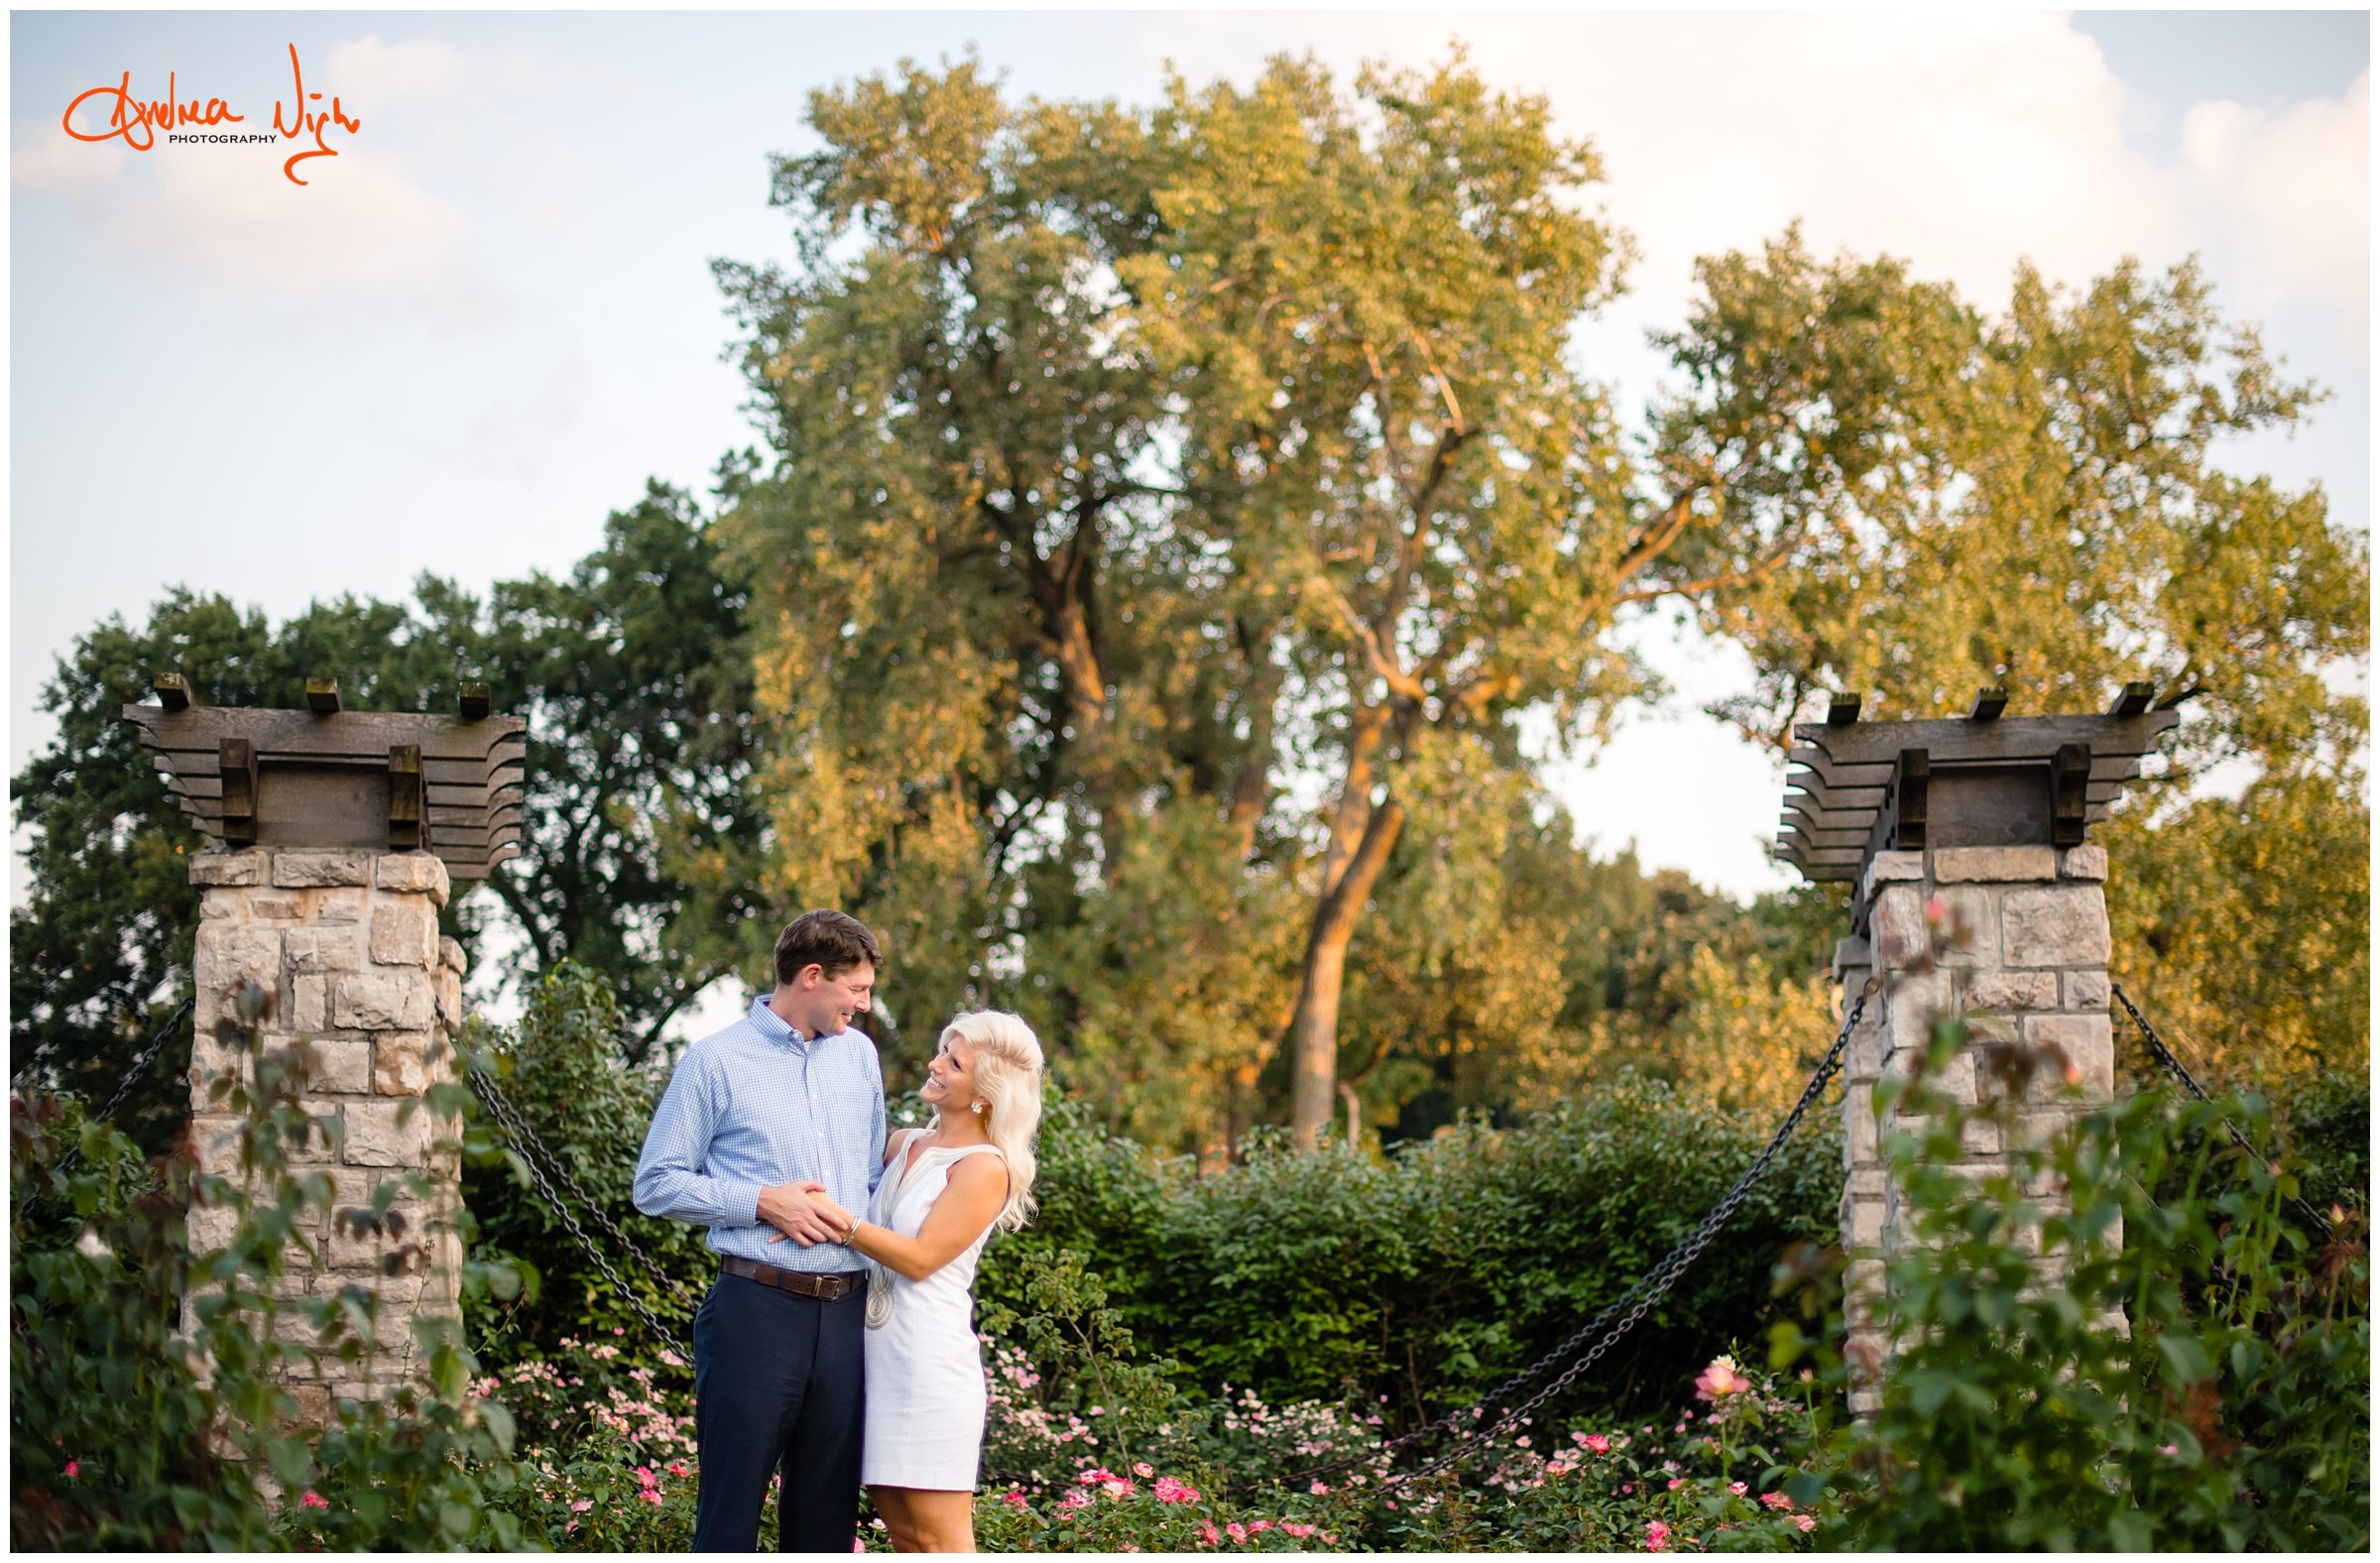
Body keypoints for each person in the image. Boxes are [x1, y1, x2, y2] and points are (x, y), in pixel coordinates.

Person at [632, 910, 888, 1553]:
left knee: (827, 1524)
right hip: (757, 1313)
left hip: (848, 1314)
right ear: (810, 977)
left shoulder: (860, 1057)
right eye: (856, 989)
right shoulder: (714, 1062)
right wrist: (759, 1202)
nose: (865, 1003)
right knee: (730, 1516)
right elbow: (656, 1183)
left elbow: (870, 1175)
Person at [793, 1011, 1044, 1554]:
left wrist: (838, 1221)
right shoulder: (904, 1144)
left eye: (953, 1062)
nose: (934, 1064)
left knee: (941, 1541)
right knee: (904, 1536)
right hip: (875, 1363)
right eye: (942, 1050)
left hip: (928, 1369)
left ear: (986, 1092)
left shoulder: (984, 1167)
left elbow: (922, 1258)